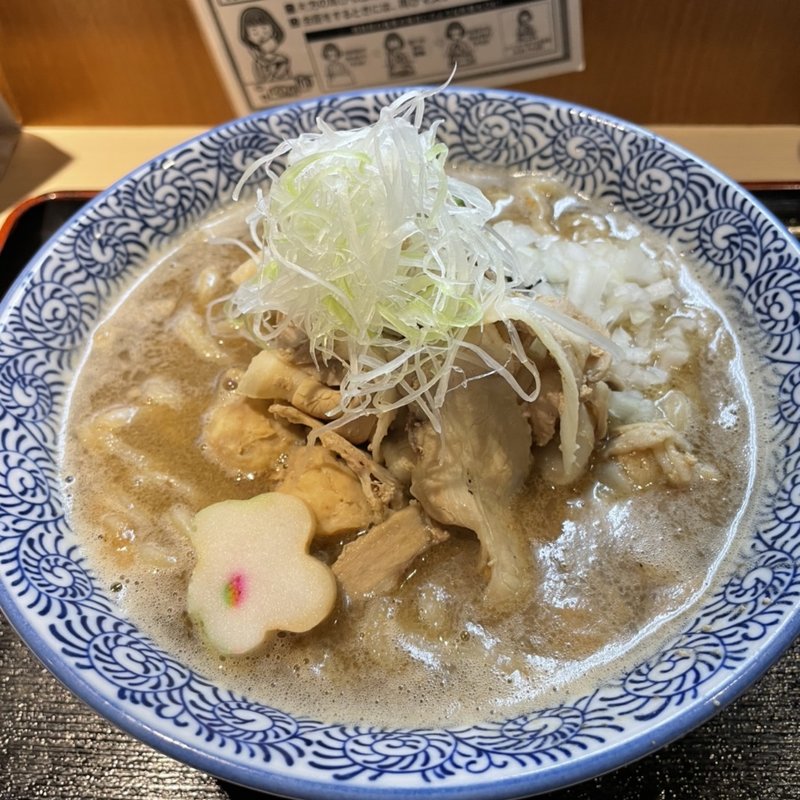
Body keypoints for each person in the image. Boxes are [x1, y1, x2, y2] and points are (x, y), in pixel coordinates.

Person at [240, 7, 290, 83]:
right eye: (255, 33)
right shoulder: (258, 63)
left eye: (265, 30)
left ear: (273, 30)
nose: (262, 36)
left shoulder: (281, 60)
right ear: (248, 37)